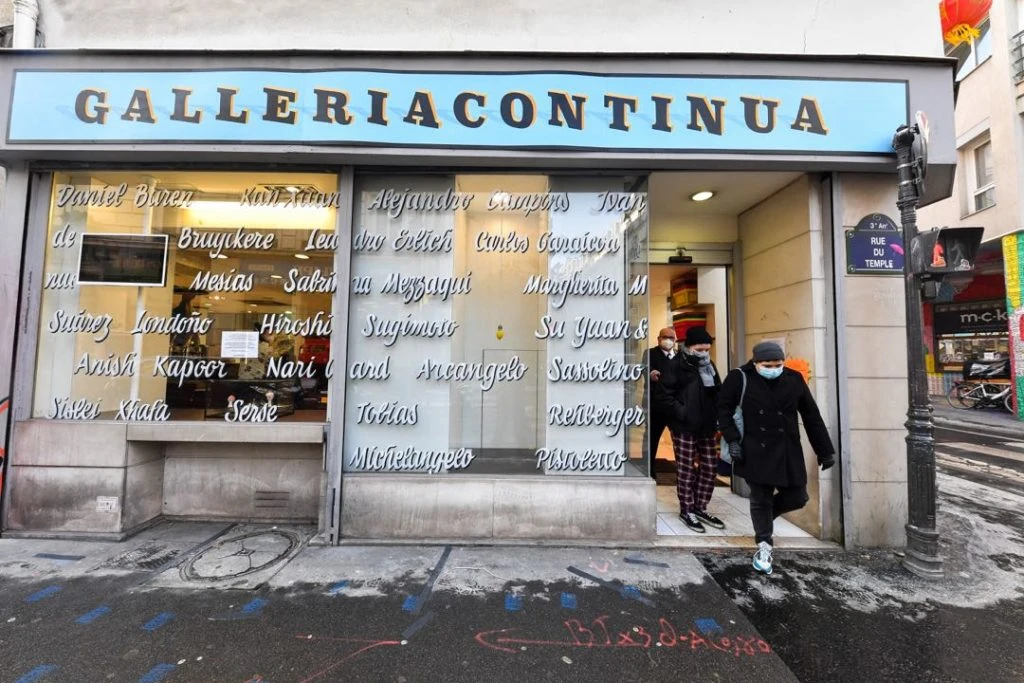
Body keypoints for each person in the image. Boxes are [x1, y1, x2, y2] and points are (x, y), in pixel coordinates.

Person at [717, 341, 835, 575]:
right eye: (768, 365)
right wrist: (732, 440)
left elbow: (811, 415)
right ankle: (764, 546)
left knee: (798, 497)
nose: (773, 369)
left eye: (778, 364)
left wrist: (825, 450)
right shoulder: (739, 377)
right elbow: (723, 410)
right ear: (756, 362)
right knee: (760, 498)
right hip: (754, 448)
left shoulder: (794, 379)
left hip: (787, 449)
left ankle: (764, 519)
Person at [653, 326, 724, 533]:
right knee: (686, 469)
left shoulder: (709, 366)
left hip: (706, 425)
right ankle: (687, 510)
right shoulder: (676, 365)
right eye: (699, 349)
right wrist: (682, 412)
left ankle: (700, 506)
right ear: (689, 346)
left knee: (709, 467)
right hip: (684, 426)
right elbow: (664, 395)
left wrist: (717, 417)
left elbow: (717, 392)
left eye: (707, 349)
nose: (703, 353)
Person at [643, 327, 681, 479]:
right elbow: (645, 369)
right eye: (665, 337)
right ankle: (648, 469)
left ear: (675, 340)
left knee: (680, 440)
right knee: (651, 438)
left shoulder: (680, 356)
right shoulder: (650, 353)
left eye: (671, 338)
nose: (668, 340)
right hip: (655, 406)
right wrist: (651, 374)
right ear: (658, 339)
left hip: (675, 406)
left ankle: (682, 471)